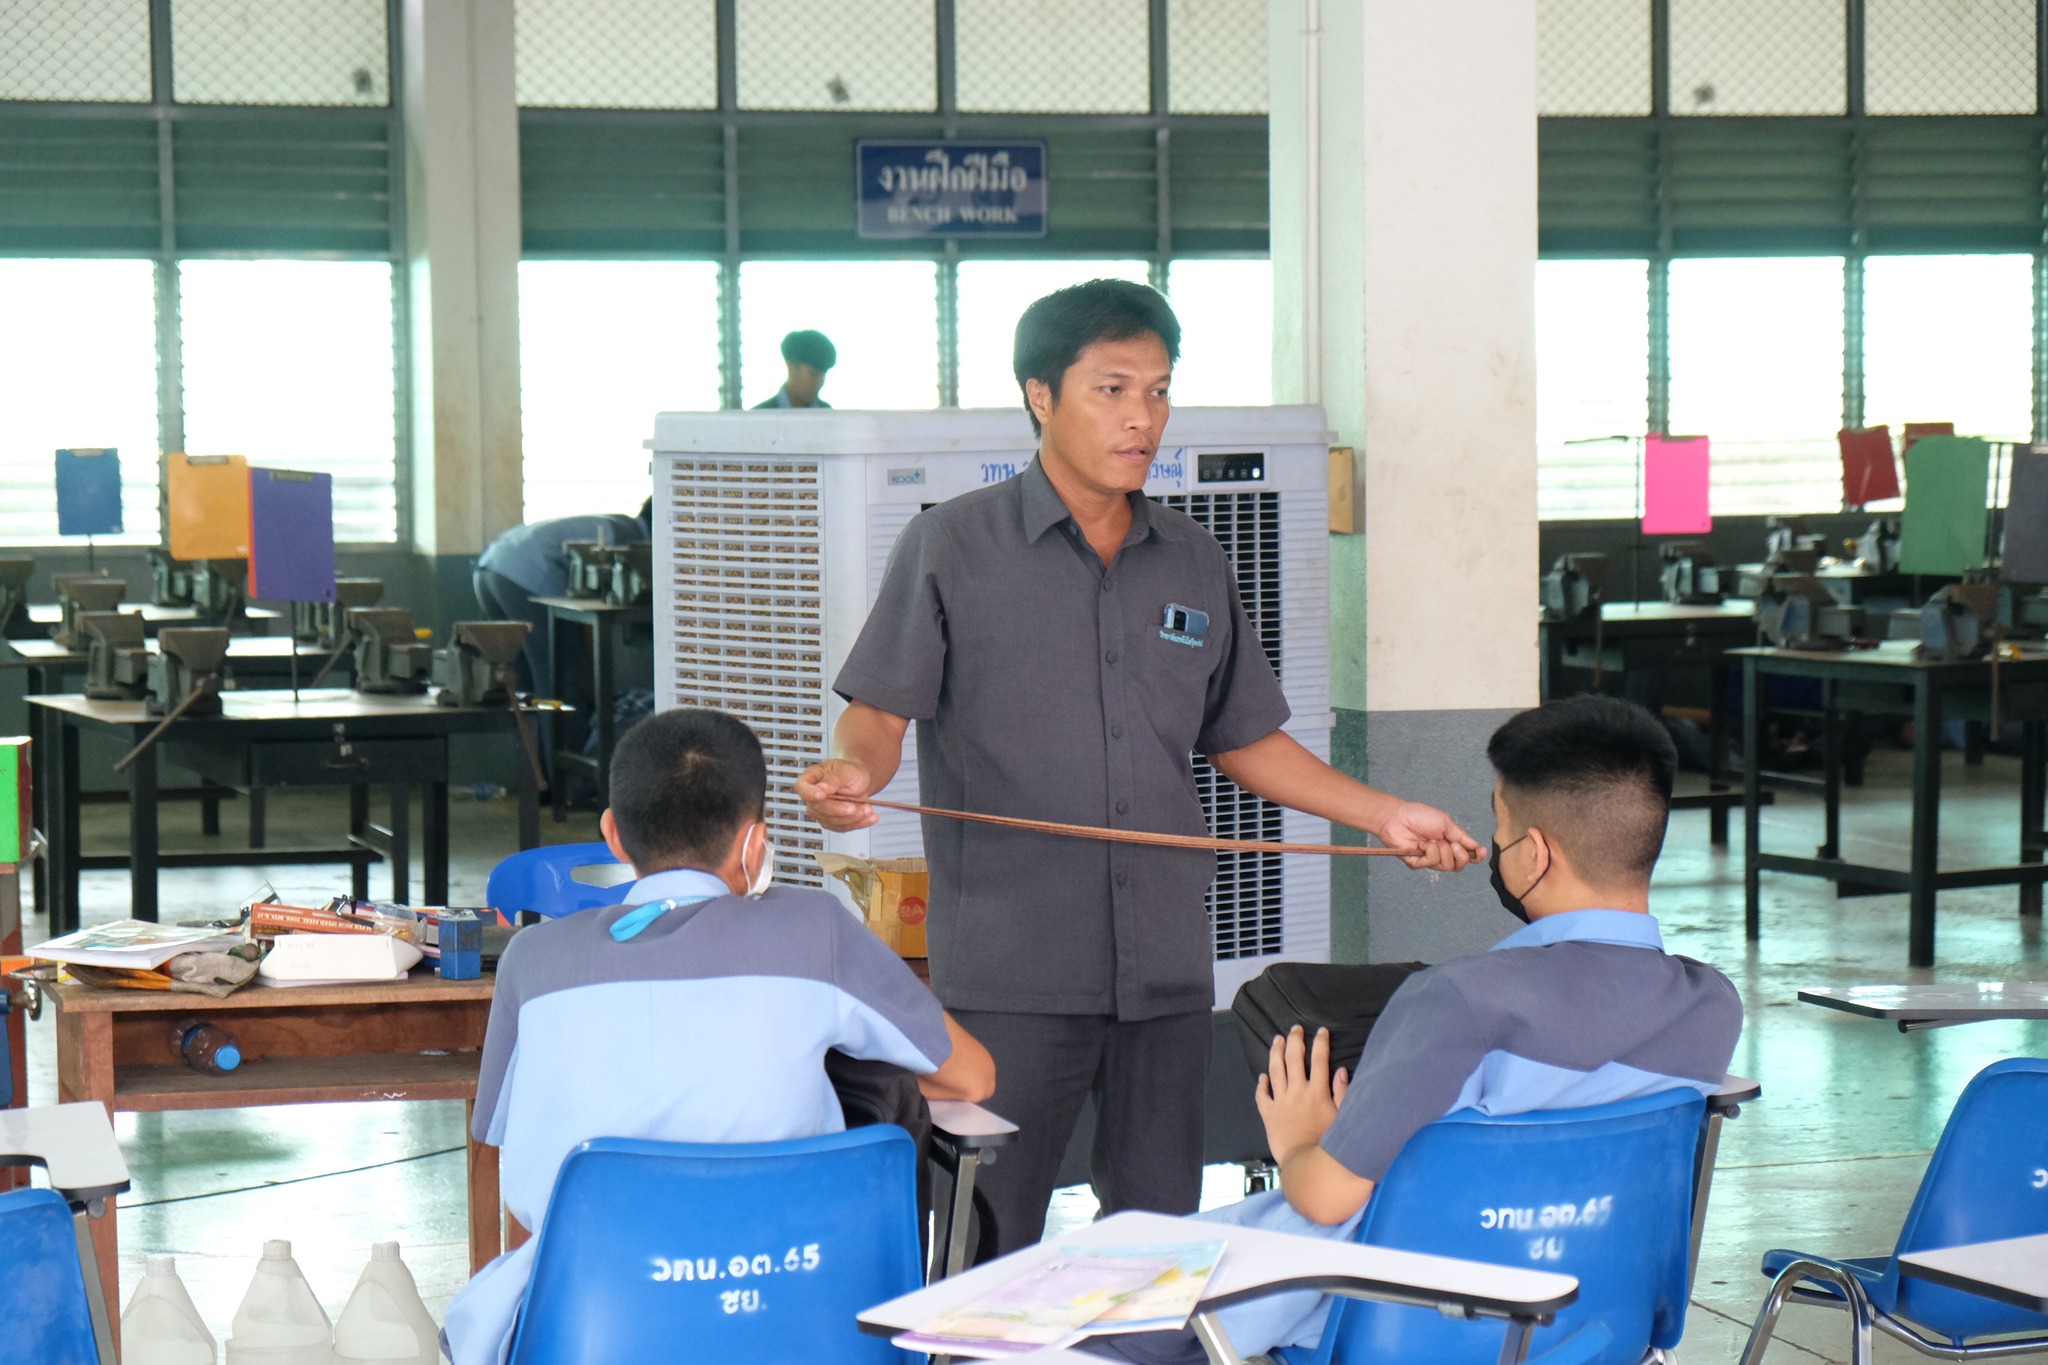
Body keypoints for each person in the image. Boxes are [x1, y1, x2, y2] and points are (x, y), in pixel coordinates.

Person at [796, 278, 1485, 1257]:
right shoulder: (952, 544)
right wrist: (850, 775)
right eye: (1112, 390)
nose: (1141, 418)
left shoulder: (1194, 561)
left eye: (1158, 391)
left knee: (1156, 1247)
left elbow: (1241, 737)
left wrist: (1380, 814)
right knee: (987, 1245)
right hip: (1010, 972)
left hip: (1163, 968)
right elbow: (878, 713)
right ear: (1040, 395)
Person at [1089, 695, 1744, 1364]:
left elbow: (1324, 1197)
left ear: (1535, 854)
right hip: (1588, 1329)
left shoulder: (1457, 1001)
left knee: (1084, 1314)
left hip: (1402, 1328)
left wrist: (1298, 1138)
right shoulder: (1713, 1005)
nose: (1495, 847)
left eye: (1500, 827)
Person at [442, 707, 995, 1365]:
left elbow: (514, 1167)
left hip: (595, 1329)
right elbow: (974, 1076)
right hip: (811, 1321)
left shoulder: (533, 959)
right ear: (755, 842)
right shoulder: (816, 930)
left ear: (613, 835)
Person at [472, 500, 652, 695]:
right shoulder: (631, 539)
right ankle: (563, 726)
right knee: (559, 673)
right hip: (525, 575)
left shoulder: (615, 524)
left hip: (488, 568)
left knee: (519, 676)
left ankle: (528, 726)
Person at [754, 329, 836, 408]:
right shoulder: (758, 417)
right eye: (813, 375)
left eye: (823, 376)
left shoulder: (831, 416)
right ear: (792, 367)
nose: (819, 383)